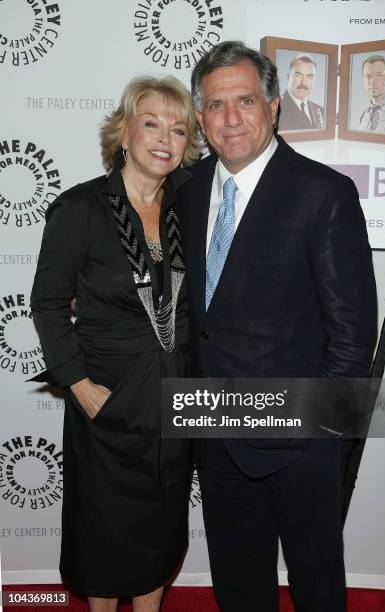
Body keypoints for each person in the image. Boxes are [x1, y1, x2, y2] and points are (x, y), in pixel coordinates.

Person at [177, 41, 377, 612]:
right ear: (200, 118)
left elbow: (351, 330)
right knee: (238, 587)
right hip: (214, 435)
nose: (231, 118)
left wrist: (326, 436)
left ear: (273, 104)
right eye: (216, 106)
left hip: (300, 442)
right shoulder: (188, 192)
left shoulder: (323, 193)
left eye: (245, 100)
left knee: (317, 584)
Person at [31, 76, 201, 612]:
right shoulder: (79, 209)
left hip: (176, 404)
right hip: (106, 402)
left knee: (161, 529)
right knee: (104, 540)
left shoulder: (191, 207)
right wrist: (82, 390)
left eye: (178, 129)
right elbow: (47, 306)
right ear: (124, 132)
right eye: (151, 123)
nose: (163, 139)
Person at [279, 54, 324, 131]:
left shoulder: (320, 111)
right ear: (288, 77)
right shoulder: (276, 108)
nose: (304, 82)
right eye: (298, 75)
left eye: (310, 76)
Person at [359, 54, 385, 133]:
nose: (372, 81)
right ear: (363, 79)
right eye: (368, 76)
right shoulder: (365, 114)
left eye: (379, 75)